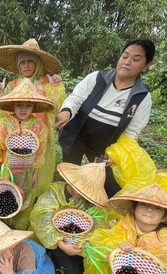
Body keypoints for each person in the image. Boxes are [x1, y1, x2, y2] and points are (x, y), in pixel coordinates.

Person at [55, 39, 156, 197]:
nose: (127, 62)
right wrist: (67, 111)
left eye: (136, 59)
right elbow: (76, 98)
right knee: (69, 177)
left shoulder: (142, 97)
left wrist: (115, 155)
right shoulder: (98, 78)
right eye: (125, 56)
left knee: (103, 185)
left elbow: (131, 133)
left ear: (146, 66)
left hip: (103, 150)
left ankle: (92, 213)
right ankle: (65, 206)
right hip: (75, 138)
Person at [0, 38, 66, 196]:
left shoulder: (48, 82)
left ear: (37, 62)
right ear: (18, 65)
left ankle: (33, 200)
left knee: (38, 171)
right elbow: (2, 112)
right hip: (15, 137)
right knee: (14, 172)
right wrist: (0, 94)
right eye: (22, 62)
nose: (26, 65)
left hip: (40, 133)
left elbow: (56, 107)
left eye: (30, 61)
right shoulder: (13, 85)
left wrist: (54, 87)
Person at [0, 79, 54, 230]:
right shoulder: (3, 124)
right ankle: (3, 229)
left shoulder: (39, 126)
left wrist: (36, 173)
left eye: (28, 105)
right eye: (19, 105)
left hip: (27, 172)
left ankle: (18, 231)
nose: (23, 109)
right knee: (4, 199)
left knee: (23, 201)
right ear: (12, 105)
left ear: (34, 107)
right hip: (7, 171)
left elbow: (40, 153)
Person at [30, 162, 110, 274]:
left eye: (87, 191)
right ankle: (53, 254)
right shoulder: (54, 194)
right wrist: (61, 244)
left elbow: (99, 221)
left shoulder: (88, 199)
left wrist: (83, 243)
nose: (83, 193)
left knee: (90, 267)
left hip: (78, 241)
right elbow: (43, 220)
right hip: (56, 240)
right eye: (80, 188)